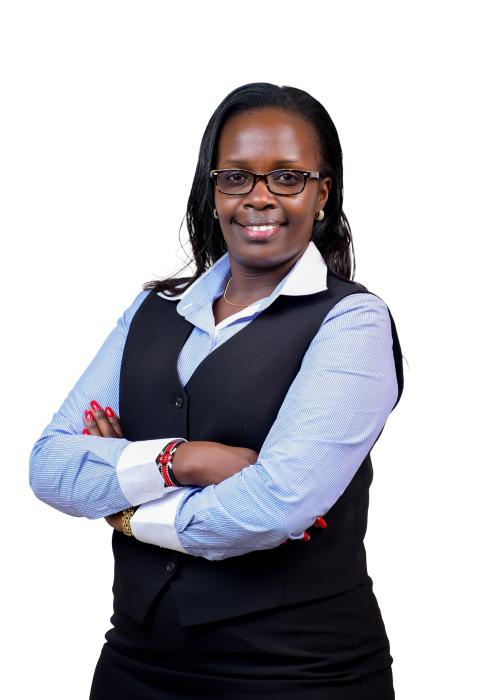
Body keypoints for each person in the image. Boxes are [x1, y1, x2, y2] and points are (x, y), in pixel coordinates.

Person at [30, 82, 404, 700]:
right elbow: (51, 465)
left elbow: (273, 507)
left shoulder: (352, 323)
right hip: (135, 665)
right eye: (236, 177)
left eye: (287, 177)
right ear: (214, 191)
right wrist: (185, 460)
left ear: (322, 193)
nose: (259, 196)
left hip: (299, 674)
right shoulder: (153, 308)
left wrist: (124, 506)